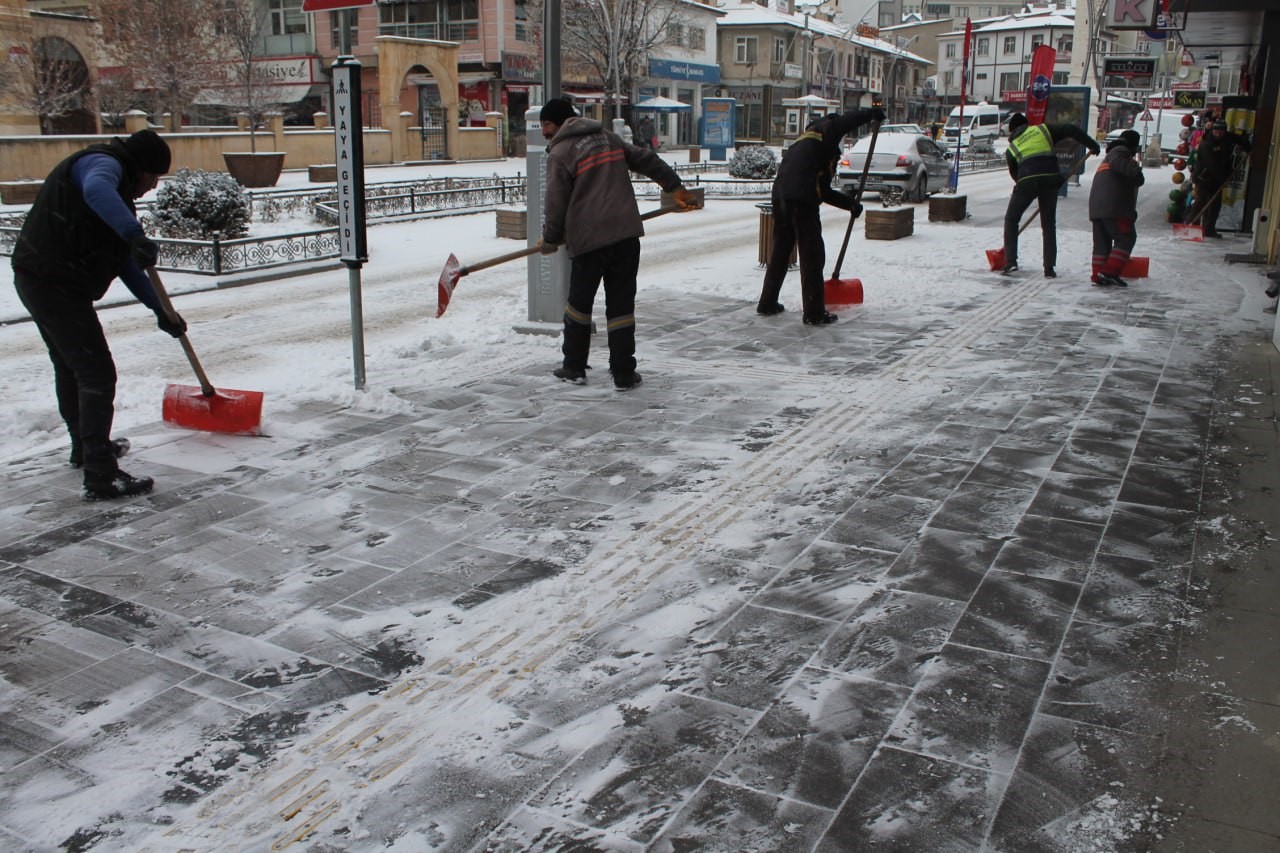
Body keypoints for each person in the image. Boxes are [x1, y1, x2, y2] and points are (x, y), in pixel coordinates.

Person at [11, 129, 187, 501]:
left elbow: (125, 262)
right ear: (139, 168)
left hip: (44, 278)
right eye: (154, 177)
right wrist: (133, 232)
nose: (152, 187)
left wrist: (161, 310)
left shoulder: (119, 190)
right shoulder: (101, 165)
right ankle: (101, 476)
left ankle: (87, 450)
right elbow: (95, 189)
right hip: (50, 281)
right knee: (95, 372)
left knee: (73, 368)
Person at [537, 97, 699, 390]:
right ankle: (624, 372)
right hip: (625, 236)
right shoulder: (607, 138)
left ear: (557, 122)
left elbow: (555, 202)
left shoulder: (560, 152)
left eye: (545, 124)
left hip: (589, 241)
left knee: (578, 306)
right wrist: (676, 187)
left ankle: (573, 366)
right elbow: (646, 159)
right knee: (621, 306)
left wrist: (550, 238)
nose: (544, 131)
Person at [755, 106, 885, 325]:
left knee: (780, 252)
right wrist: (871, 114)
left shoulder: (803, 144)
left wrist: (850, 204)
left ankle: (767, 303)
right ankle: (814, 313)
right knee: (812, 255)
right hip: (802, 199)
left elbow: (823, 190)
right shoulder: (825, 130)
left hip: (781, 197)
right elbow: (847, 121)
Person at [1000, 112, 1100, 277]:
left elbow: (1015, 175)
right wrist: (1092, 144)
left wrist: (1025, 186)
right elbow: (1070, 129)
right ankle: (1049, 268)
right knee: (1048, 224)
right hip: (1050, 179)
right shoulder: (1043, 130)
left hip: (1027, 181)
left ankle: (1010, 261)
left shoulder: (1012, 148)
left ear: (1012, 131)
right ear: (1027, 124)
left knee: (1011, 219)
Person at [1088, 129, 1145, 288]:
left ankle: (1098, 274)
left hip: (1098, 207)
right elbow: (1123, 167)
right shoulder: (1120, 152)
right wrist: (1136, 172)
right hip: (1114, 208)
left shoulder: (1110, 155)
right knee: (1126, 238)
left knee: (1102, 243)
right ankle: (1109, 272)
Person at [1189, 118, 1252, 238]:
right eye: (1216, 131)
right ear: (1213, 130)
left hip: (1218, 178)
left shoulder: (1226, 138)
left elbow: (1239, 139)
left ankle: (1209, 229)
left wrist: (1248, 148)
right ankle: (1192, 227)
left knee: (1215, 205)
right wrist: (1223, 179)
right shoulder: (1206, 144)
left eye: (1221, 131)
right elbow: (1212, 165)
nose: (1219, 133)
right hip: (1203, 177)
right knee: (1201, 202)